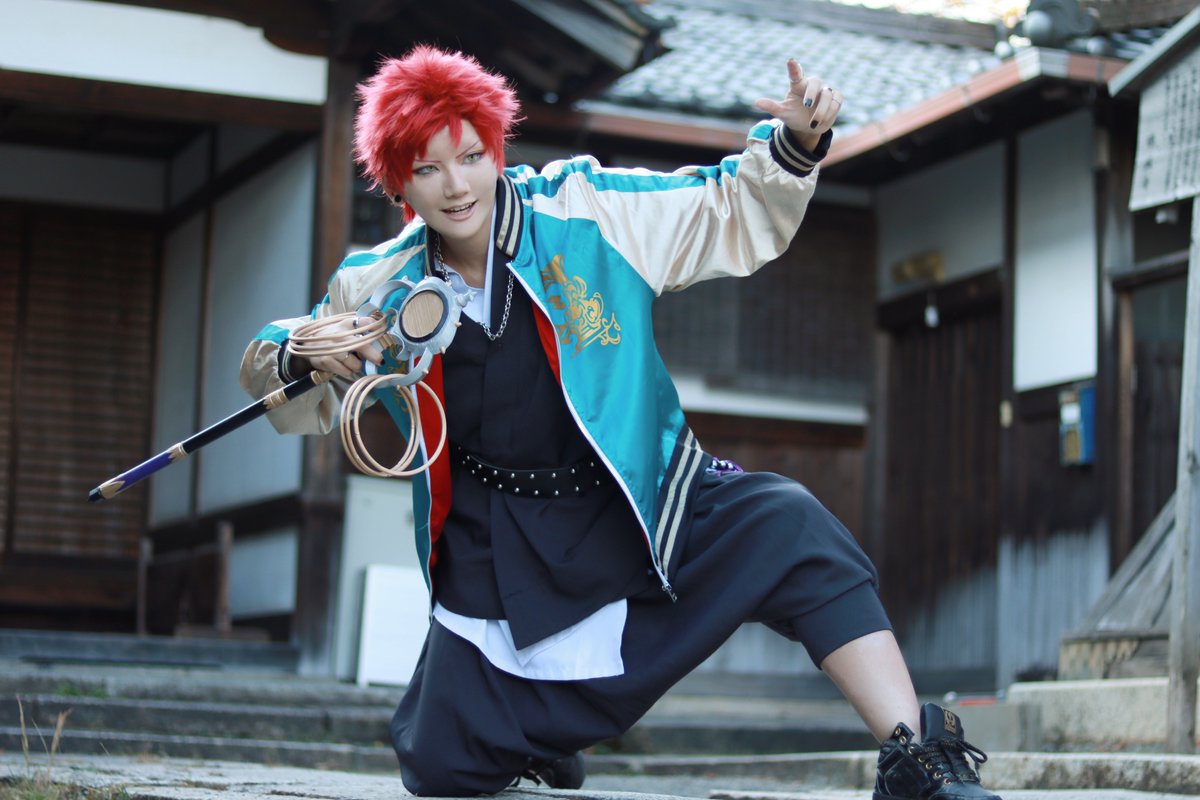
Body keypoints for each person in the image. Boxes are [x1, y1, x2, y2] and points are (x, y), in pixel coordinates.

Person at [240, 45, 1002, 800]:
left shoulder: (585, 209)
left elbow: (724, 206)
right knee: (440, 768)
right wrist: (298, 354)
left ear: (496, 149)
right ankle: (543, 742)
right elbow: (288, 367)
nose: (457, 185)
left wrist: (797, 143)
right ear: (396, 179)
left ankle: (916, 758)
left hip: (636, 495)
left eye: (471, 156)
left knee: (792, 524)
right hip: (495, 540)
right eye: (427, 168)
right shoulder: (379, 282)